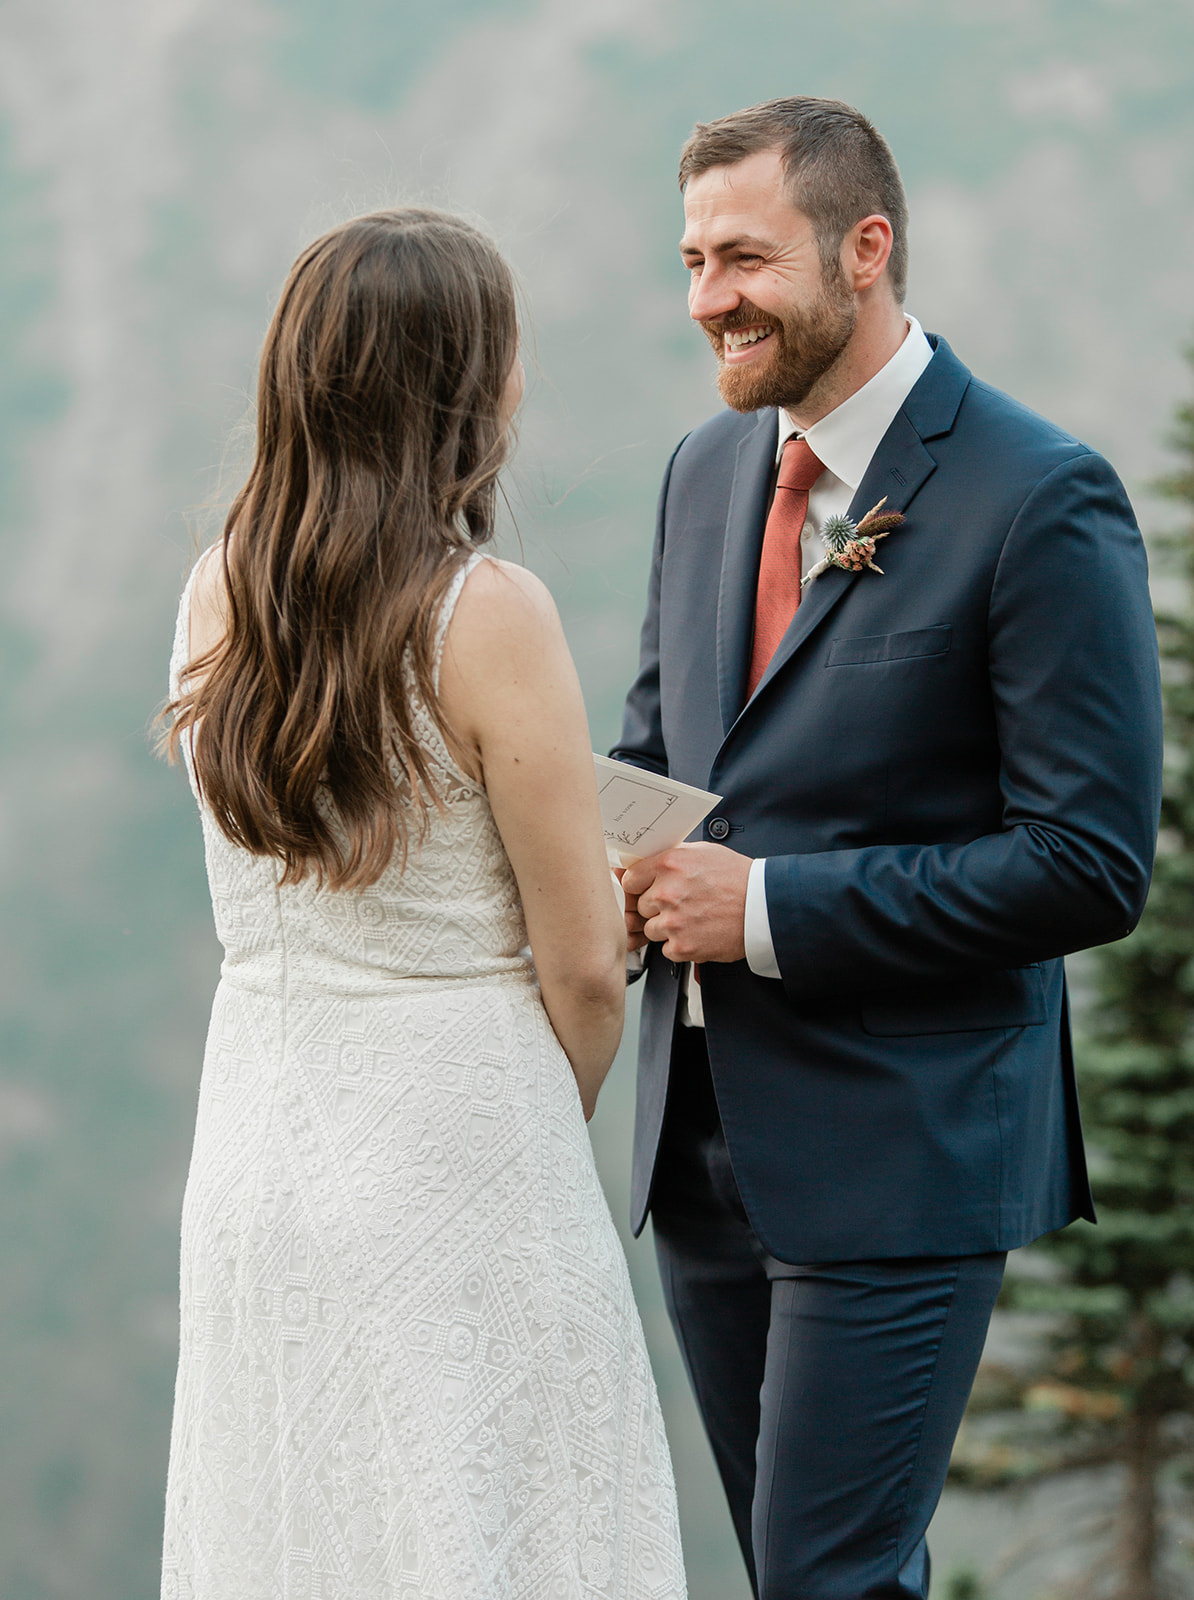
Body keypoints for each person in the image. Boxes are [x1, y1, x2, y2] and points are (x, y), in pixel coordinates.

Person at [613, 98, 1162, 1599]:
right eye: (690, 258)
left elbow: (1089, 861)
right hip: (703, 1137)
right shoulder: (705, 473)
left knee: (826, 1585)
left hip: (901, 1146)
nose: (705, 299)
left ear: (867, 249)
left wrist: (772, 907)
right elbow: (661, 757)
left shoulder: (1039, 495)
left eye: (741, 256)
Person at [160, 208, 685, 1600]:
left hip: (256, 1150)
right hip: (457, 1146)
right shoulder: (486, 609)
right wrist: (529, 1105)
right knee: (501, 1538)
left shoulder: (218, 586)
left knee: (295, 1527)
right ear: (460, 385)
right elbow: (582, 967)